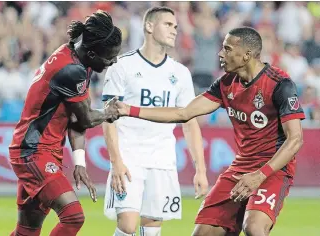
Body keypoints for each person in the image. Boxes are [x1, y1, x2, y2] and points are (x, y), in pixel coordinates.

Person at [116, 27, 305, 236]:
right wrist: (129, 110)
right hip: (240, 168)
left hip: (272, 169)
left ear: (246, 55)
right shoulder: (226, 84)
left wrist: (260, 175)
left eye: (227, 48)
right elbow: (184, 112)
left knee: (253, 227)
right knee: (203, 233)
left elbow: (295, 139)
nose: (220, 54)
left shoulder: (279, 84)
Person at [8, 10, 122, 236]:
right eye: (109, 56)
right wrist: (110, 112)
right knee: (73, 216)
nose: (113, 60)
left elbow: (76, 118)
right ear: (91, 52)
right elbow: (87, 118)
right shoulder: (71, 69)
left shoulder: (79, 61)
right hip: (33, 152)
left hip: (44, 151)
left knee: (27, 232)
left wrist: (79, 161)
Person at [102, 6, 208, 236]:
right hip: (129, 157)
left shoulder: (180, 73)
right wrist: (116, 161)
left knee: (151, 229)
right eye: (168, 24)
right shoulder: (122, 65)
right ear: (149, 26)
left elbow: (189, 122)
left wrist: (200, 168)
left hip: (163, 160)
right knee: (128, 226)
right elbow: (109, 118)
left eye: (176, 27)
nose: (174, 30)